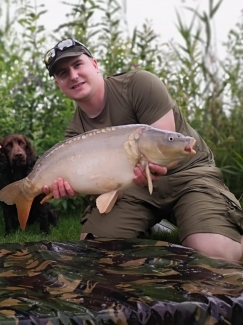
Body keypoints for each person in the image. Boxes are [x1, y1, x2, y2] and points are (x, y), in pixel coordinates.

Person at [42, 38, 243, 261]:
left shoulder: (139, 84)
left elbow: (166, 150)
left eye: (77, 65)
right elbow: (101, 186)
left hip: (188, 176)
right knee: (98, 256)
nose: (73, 75)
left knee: (216, 255)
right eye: (62, 73)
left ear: (95, 65)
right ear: (58, 84)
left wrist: (149, 166)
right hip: (130, 191)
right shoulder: (75, 134)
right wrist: (72, 186)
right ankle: (153, 224)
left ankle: (204, 219)